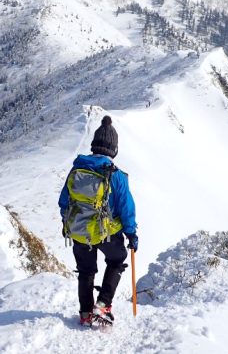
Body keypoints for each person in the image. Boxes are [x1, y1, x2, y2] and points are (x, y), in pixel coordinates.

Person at [59, 115, 138, 327]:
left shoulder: (76, 170)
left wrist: (73, 223)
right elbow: (126, 208)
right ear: (114, 149)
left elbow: (63, 202)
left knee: (85, 271)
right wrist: (131, 234)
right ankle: (103, 304)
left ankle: (85, 313)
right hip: (107, 234)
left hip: (79, 232)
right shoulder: (116, 175)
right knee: (116, 260)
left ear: (94, 145)